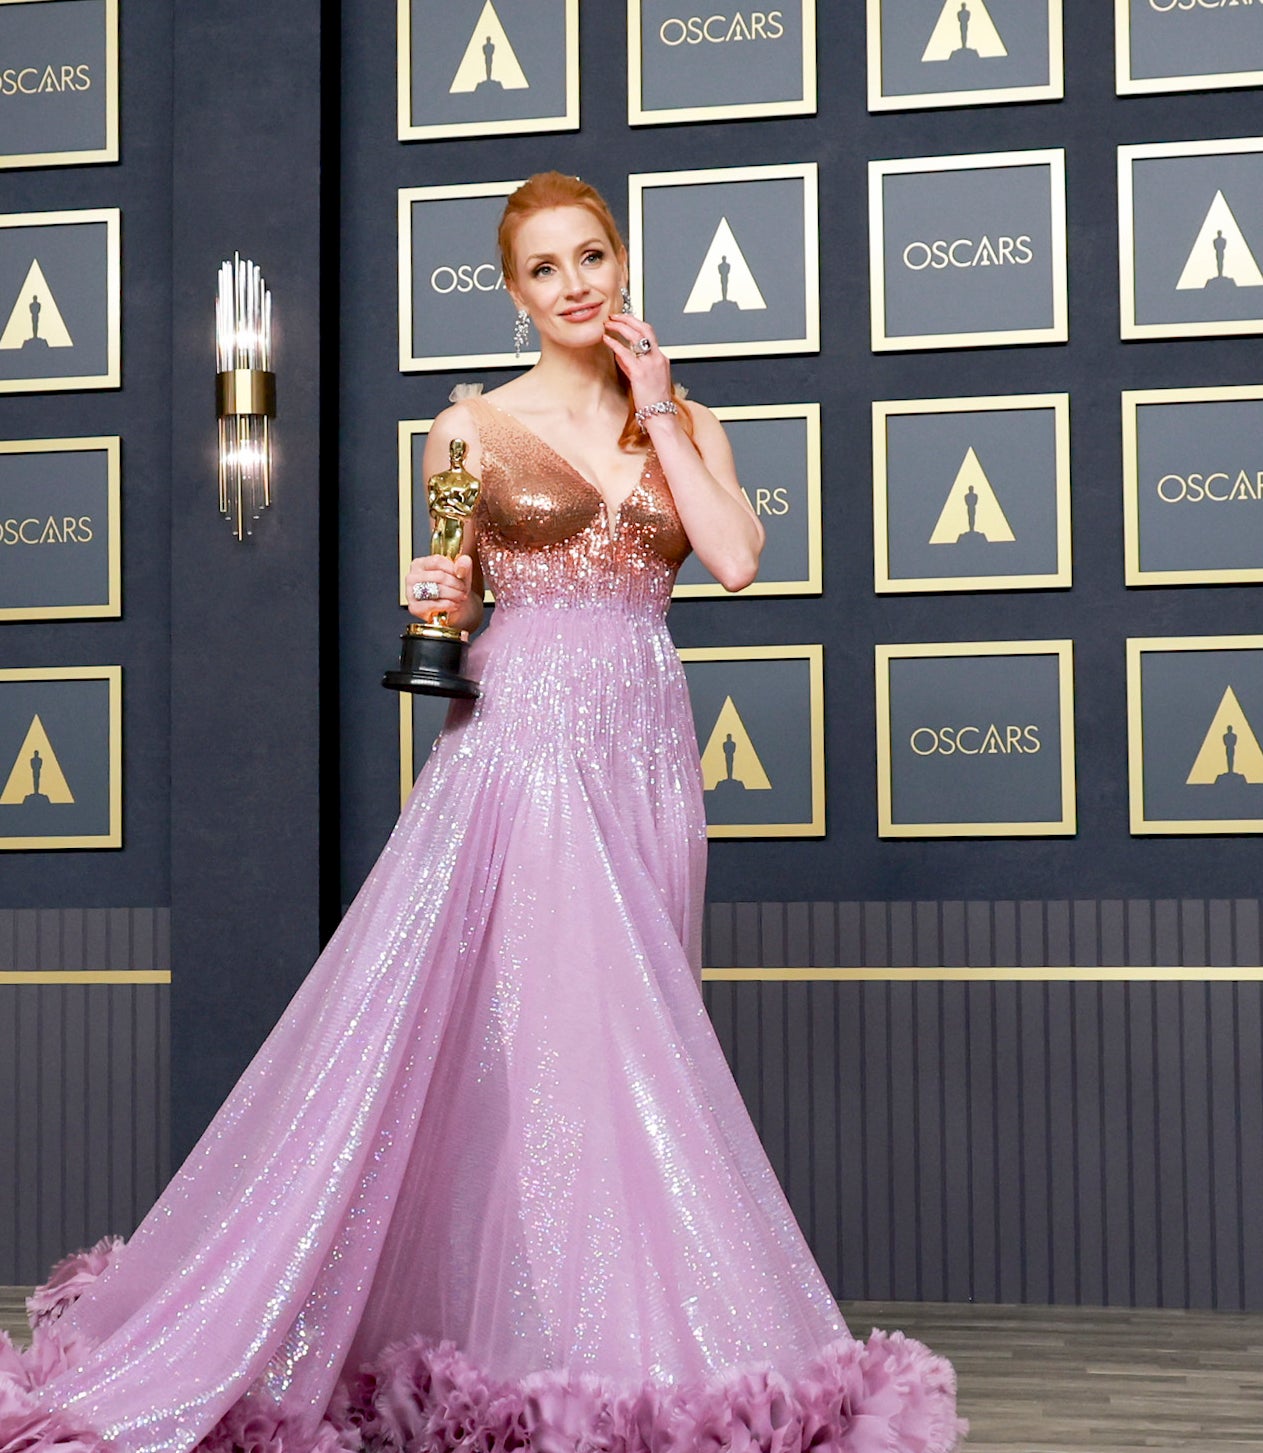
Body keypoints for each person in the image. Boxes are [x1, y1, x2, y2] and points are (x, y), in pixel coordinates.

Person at [1, 173, 964, 1453]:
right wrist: (433, 595)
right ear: (513, 295)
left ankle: (548, 1347)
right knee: (567, 1039)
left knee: (640, 1035)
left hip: (647, 743)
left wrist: (664, 408)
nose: (578, 285)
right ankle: (568, 1368)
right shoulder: (465, 428)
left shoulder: (683, 420)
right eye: (548, 269)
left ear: (621, 262)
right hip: (522, 740)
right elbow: (444, 606)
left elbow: (734, 559)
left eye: (593, 257)